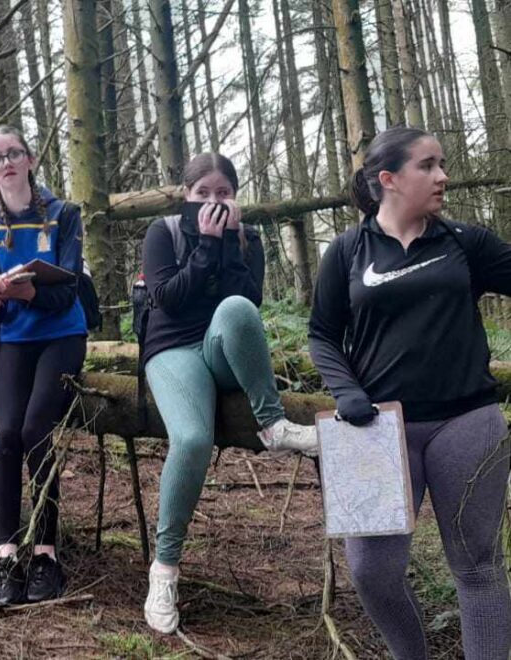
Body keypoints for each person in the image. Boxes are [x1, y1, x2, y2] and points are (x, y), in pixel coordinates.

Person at [308, 126, 511, 660]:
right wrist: (345, 390)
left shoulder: (467, 243)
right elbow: (322, 334)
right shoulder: (348, 251)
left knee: (478, 566)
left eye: (442, 163)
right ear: (389, 180)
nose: (443, 176)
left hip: (467, 421)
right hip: (373, 429)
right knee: (372, 571)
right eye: (428, 165)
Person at [140, 152, 318, 634]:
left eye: (223, 193)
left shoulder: (249, 238)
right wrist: (204, 244)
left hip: (219, 349)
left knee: (238, 306)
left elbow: (247, 306)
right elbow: (167, 299)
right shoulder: (164, 233)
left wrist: (229, 246)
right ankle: (165, 569)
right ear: (186, 196)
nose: (213, 202)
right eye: (203, 194)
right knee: (193, 441)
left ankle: (273, 424)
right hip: (172, 348)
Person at [0, 125, 87, 607]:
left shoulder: (63, 215)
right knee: (8, 438)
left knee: (38, 429)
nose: (7, 163)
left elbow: (67, 292)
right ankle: (6, 555)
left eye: (14, 153)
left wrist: (30, 291)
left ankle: (45, 554)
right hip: (16, 341)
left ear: (31, 158)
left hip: (62, 335)